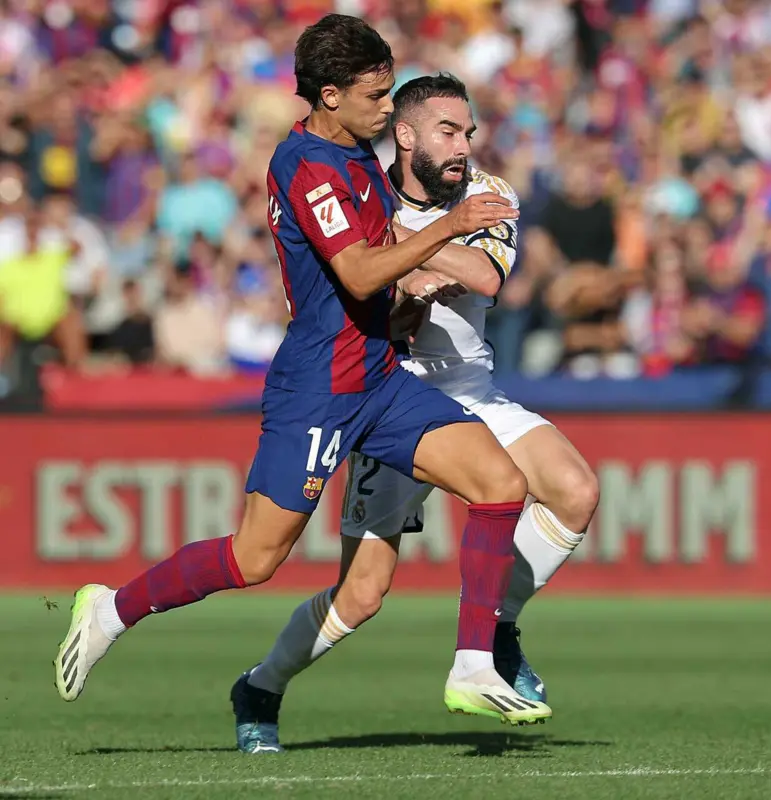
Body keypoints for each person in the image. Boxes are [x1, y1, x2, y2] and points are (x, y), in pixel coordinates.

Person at [52, 15, 552, 731]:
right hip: (320, 386)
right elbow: (354, 272)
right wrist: (447, 228)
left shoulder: (357, 158)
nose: (388, 107)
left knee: (502, 484)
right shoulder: (306, 164)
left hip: (380, 377)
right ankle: (112, 608)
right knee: (257, 558)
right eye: (376, 96)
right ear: (328, 94)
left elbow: (380, 276)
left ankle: (474, 664)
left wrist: (413, 295)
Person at [229, 73, 599, 754]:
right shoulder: (358, 186)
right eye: (447, 131)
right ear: (405, 134)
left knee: (574, 490)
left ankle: (495, 630)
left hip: (471, 391)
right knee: (364, 594)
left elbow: (486, 276)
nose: (463, 146)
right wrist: (414, 275)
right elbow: (389, 303)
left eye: (468, 132)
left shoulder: (490, 194)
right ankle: (262, 685)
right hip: (389, 396)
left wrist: (408, 252)